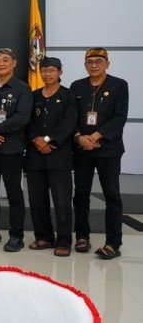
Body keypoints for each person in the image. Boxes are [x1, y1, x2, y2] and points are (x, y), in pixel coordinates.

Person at [70, 48, 129, 260]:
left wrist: (95, 137)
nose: (94, 65)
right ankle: (82, 236)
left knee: (111, 195)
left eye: (99, 61)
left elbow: (120, 117)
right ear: (85, 64)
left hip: (108, 150)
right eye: (90, 61)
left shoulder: (119, 85)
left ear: (107, 63)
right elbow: (72, 117)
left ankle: (113, 242)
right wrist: (79, 137)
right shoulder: (77, 86)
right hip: (82, 149)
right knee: (81, 194)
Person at [0, 47, 33, 252]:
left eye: (5, 60)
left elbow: (21, 118)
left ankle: (16, 235)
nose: (0, 63)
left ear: (14, 63)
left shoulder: (22, 89)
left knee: (14, 194)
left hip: (11, 149)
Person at [24, 57, 77, 257]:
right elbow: (27, 122)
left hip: (59, 155)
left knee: (62, 200)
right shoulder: (34, 95)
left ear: (60, 73)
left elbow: (69, 122)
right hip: (35, 155)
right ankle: (44, 237)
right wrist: (37, 140)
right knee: (37, 200)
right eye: (44, 70)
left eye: (52, 70)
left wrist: (49, 140)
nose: (47, 74)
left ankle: (64, 241)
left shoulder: (68, 96)